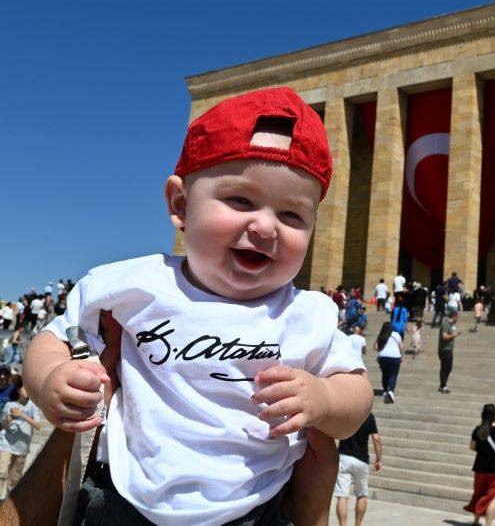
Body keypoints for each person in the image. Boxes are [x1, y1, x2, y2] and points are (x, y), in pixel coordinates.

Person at [24, 87, 371, 524]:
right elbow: (53, 339)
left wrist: (324, 397)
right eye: (240, 201)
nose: (265, 226)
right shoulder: (132, 286)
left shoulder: (306, 314)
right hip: (123, 498)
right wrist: (50, 380)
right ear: (181, 205)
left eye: (292, 216)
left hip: (254, 507)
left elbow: (357, 398)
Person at [464, 404, 495, 526]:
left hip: (480, 467)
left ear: (483, 414)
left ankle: (475, 522)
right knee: (491, 497)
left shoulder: (478, 429)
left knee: (479, 493)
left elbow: (472, 447)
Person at [335, 412, 383, 526]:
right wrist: (379, 459)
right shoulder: (369, 416)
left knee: (342, 496)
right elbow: (376, 439)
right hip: (361, 460)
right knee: (362, 494)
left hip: (344, 457)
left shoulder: (348, 413)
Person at [0, 383, 41, 497]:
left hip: (22, 447)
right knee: (1, 472)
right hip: (6, 443)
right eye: (25, 388)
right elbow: (2, 424)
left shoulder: (32, 406)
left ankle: (8, 503)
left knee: (14, 480)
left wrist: (22, 415)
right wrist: (8, 420)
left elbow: (38, 425)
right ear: (19, 390)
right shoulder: (9, 404)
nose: (27, 391)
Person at [375, 321, 402, 404]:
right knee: (393, 375)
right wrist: (401, 356)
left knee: (385, 374)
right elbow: (401, 347)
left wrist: (381, 351)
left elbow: (375, 347)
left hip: (383, 357)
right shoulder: (396, 335)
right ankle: (391, 391)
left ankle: (385, 391)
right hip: (395, 357)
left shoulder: (381, 335)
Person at [438, 310, 460, 393]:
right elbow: (444, 336)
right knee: (445, 368)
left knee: (448, 368)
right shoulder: (445, 324)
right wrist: (454, 335)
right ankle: (443, 386)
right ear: (454, 316)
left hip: (449, 350)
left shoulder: (450, 325)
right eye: (457, 317)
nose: (457, 319)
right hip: (444, 350)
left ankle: (443, 385)